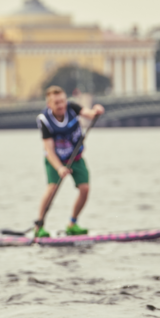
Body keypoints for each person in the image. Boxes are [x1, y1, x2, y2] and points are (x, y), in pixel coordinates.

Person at [34, 86, 105, 238]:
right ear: (49, 105)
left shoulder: (72, 107)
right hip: (55, 160)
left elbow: (89, 114)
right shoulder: (45, 120)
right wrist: (59, 168)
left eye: (62, 101)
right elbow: (49, 150)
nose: (61, 106)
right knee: (52, 189)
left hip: (75, 158)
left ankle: (72, 224)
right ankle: (39, 226)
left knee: (85, 189)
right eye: (56, 103)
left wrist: (96, 111)